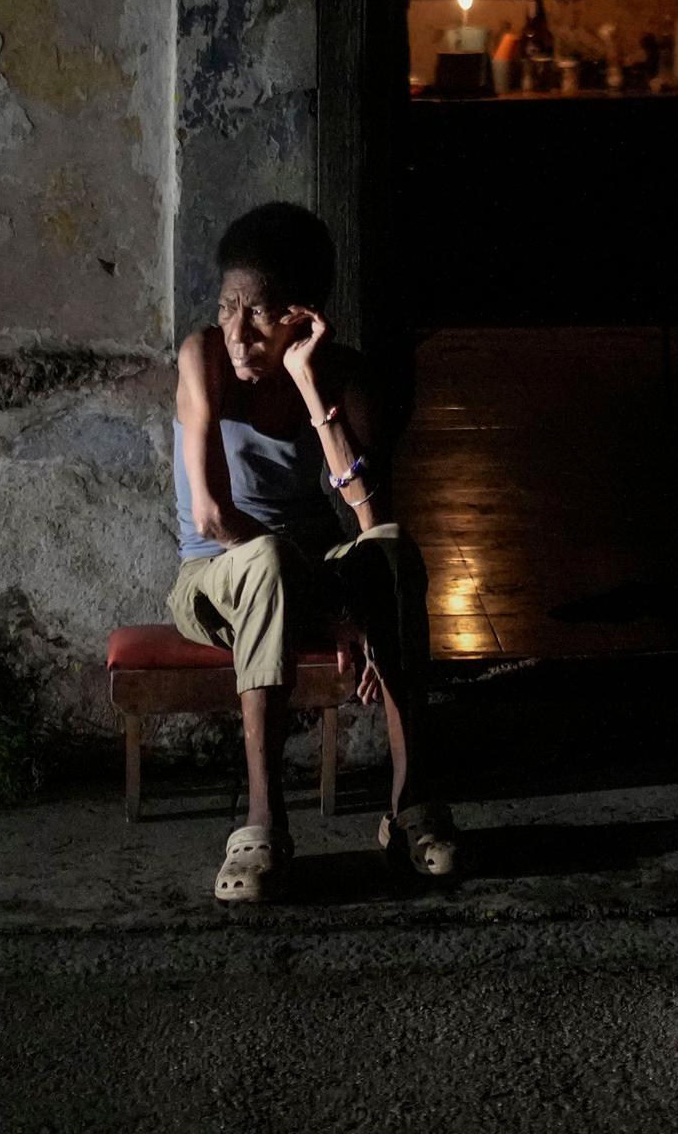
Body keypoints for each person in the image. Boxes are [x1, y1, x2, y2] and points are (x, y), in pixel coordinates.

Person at [168, 201, 462, 902]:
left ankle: (410, 807)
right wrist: (332, 613)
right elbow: (212, 517)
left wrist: (307, 385)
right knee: (267, 561)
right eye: (228, 307)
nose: (238, 334)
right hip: (218, 576)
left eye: (262, 314)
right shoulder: (201, 356)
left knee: (393, 555)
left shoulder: (342, 375)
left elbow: (372, 521)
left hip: (306, 573)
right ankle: (265, 823)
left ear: (303, 317)